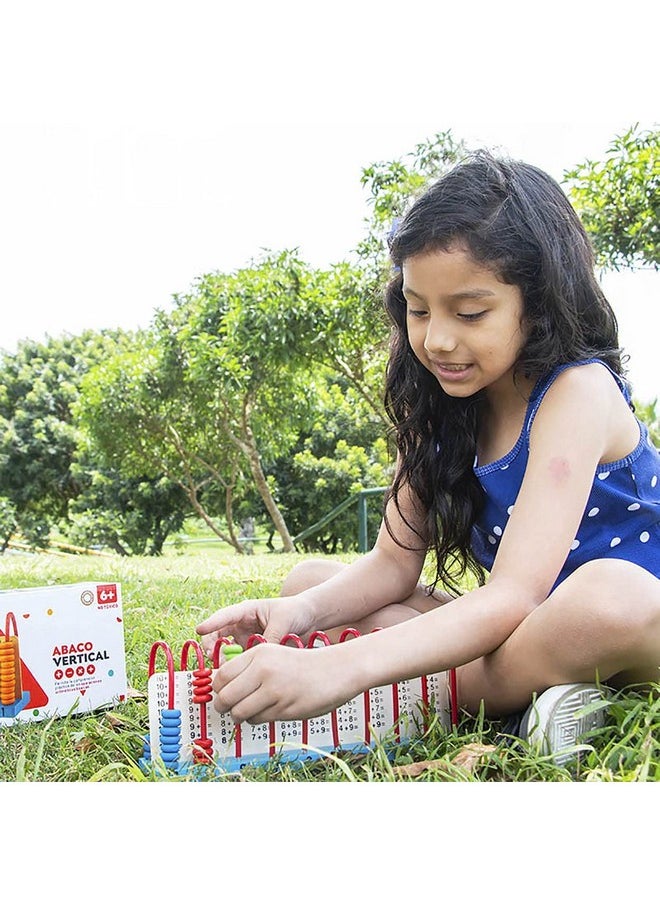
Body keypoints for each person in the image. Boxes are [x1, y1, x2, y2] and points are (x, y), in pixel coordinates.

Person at [196, 152, 660, 760]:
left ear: (540, 304)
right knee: (311, 581)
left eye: (470, 313)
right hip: (522, 635)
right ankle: (534, 701)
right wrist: (299, 611)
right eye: (418, 309)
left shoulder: (578, 391)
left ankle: (465, 696)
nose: (437, 339)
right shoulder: (442, 407)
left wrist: (340, 668)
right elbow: (392, 566)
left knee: (610, 597)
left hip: (623, 624)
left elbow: (513, 596)